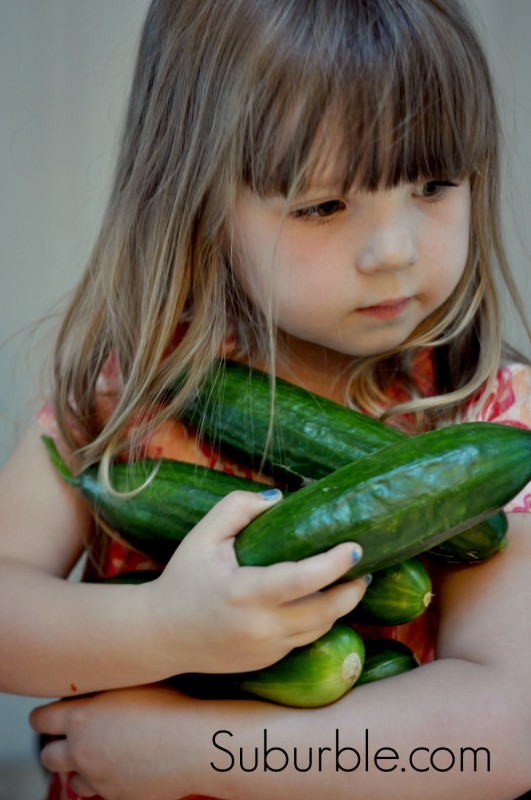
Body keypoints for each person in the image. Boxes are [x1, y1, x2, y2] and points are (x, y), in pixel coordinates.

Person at [1, 0, 530, 797]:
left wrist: (203, 751)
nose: (393, 251)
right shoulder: (126, 394)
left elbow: (505, 732)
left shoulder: (476, 415)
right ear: (197, 199)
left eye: (432, 183)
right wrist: (161, 630)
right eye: (322, 205)